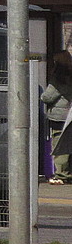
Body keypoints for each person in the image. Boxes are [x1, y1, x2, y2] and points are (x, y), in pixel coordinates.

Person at [42, 49, 72, 185]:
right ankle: (67, 171)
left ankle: (61, 174)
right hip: (69, 114)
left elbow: (47, 96)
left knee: (58, 145)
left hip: (58, 116)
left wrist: (41, 96)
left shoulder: (58, 79)